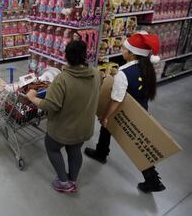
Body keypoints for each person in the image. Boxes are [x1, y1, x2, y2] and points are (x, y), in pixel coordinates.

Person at [84, 32, 166, 193]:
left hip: (126, 111)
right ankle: (101, 152)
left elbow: (116, 99)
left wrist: (105, 116)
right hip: (141, 109)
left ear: (132, 53)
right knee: (112, 132)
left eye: (124, 48)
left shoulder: (124, 73)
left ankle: (153, 180)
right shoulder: (146, 67)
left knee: (135, 145)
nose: (122, 50)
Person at [27, 40, 101, 193]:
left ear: (66, 56)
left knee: (52, 148)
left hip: (63, 129)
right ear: (84, 56)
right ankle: (73, 179)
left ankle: (64, 182)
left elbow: (50, 105)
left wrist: (33, 97)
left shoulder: (62, 79)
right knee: (75, 151)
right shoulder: (95, 73)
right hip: (83, 128)